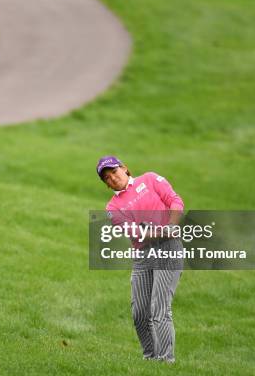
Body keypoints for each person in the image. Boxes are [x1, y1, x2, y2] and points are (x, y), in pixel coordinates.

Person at [96, 155, 184, 363]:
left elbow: (175, 200)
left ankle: (166, 361)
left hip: (168, 249)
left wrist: (171, 225)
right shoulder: (113, 209)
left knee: (159, 309)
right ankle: (151, 359)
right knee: (140, 313)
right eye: (107, 178)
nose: (113, 178)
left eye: (114, 172)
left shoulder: (150, 179)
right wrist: (163, 231)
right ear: (107, 185)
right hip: (143, 256)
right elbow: (137, 232)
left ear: (125, 169)